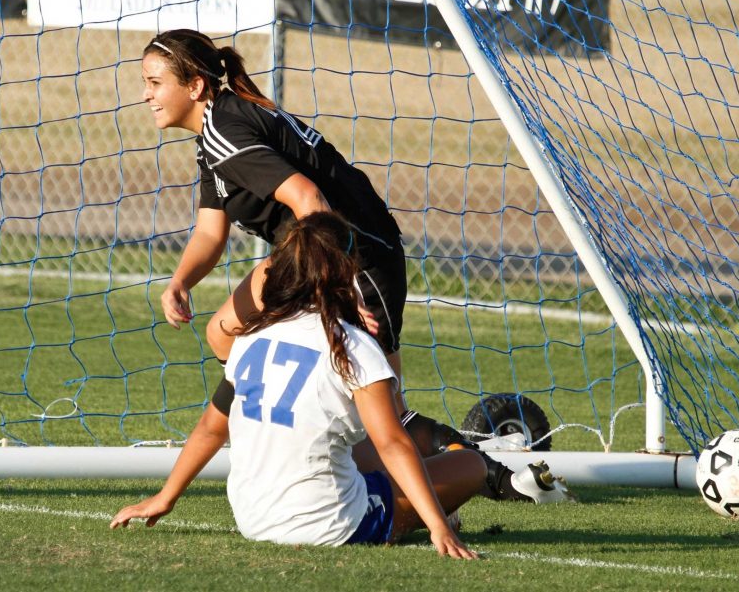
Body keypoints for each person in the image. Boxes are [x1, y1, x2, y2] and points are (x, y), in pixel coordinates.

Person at [139, 29, 572, 504]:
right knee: (225, 332)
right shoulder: (216, 132)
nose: (147, 94)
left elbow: (309, 199)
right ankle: (278, 433)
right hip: (308, 253)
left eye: (155, 82)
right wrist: (180, 282)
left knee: (389, 415)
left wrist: (338, 288)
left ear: (195, 86)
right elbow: (209, 232)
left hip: (358, 258)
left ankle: (499, 476)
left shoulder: (227, 128)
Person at [111, 212, 485, 557]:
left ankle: (418, 504)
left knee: (361, 447)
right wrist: (438, 526)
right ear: (347, 271)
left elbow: (211, 427)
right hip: (331, 525)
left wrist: (166, 496)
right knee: (470, 464)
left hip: (251, 518)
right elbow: (392, 442)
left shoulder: (251, 337)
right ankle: (434, 513)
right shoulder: (352, 347)